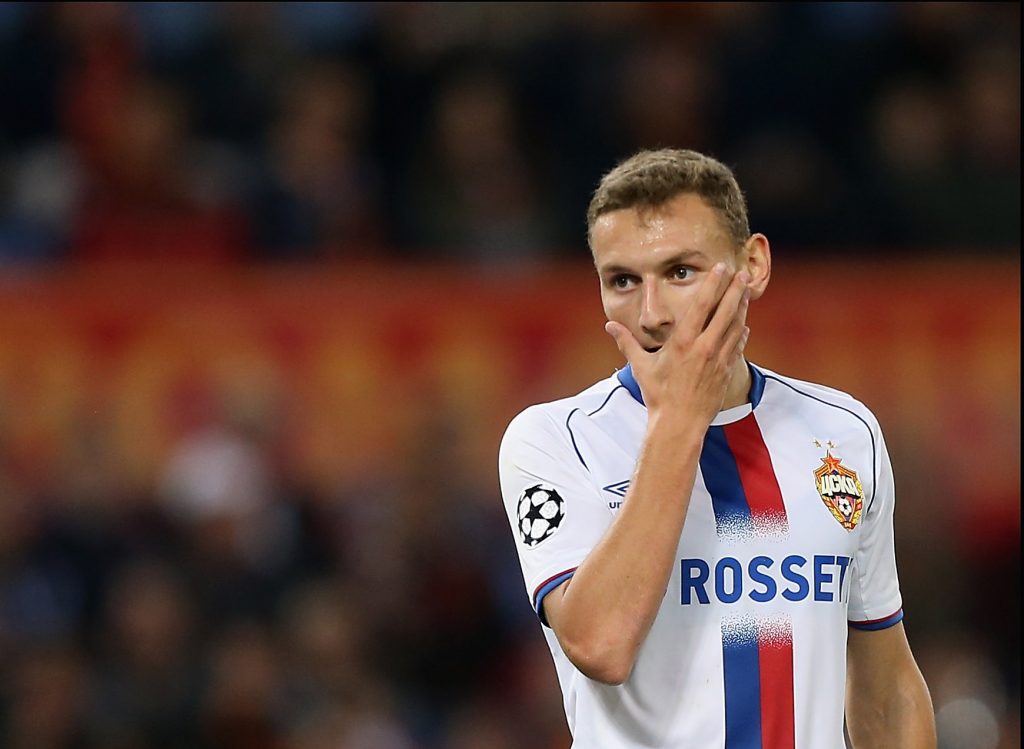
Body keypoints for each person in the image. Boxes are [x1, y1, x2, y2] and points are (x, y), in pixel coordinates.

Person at [498, 148, 936, 747]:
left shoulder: (843, 431)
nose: (651, 314)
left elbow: (886, 683)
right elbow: (601, 645)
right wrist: (680, 420)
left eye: (680, 272)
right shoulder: (555, 439)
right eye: (623, 281)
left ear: (753, 264)